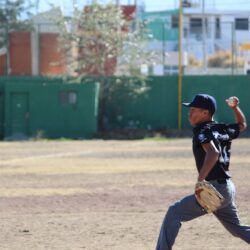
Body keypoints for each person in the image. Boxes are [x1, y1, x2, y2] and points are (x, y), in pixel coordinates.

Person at [156, 94, 250, 250]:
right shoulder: (222, 128)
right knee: (237, 228)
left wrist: (200, 180)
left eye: (193, 109)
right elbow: (242, 125)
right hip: (227, 188)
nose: (189, 113)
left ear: (205, 113)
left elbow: (213, 153)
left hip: (215, 189)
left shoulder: (202, 130)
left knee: (174, 212)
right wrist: (235, 108)